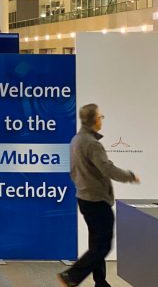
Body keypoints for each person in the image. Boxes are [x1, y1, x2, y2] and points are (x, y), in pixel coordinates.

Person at [58, 104, 140, 287]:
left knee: (96, 243)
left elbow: (73, 170)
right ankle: (71, 275)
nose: (102, 120)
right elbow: (107, 169)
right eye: (101, 117)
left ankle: (100, 282)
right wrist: (130, 176)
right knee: (103, 245)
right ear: (95, 120)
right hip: (96, 200)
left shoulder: (76, 140)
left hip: (85, 198)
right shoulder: (92, 144)